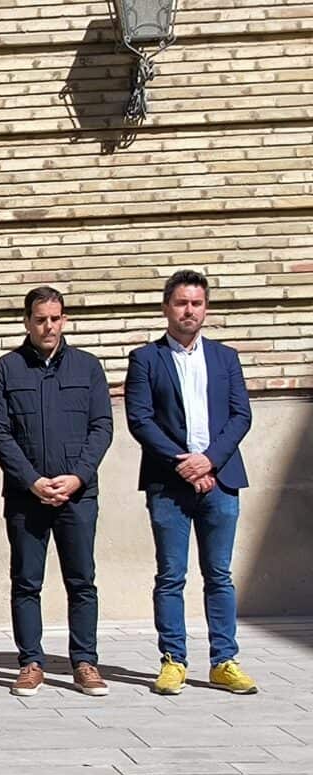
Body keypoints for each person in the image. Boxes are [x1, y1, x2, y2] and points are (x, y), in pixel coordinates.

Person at [124, 269, 258, 696]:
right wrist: (181, 463)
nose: (189, 311)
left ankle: (224, 661)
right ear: (167, 307)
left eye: (196, 303)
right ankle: (173, 661)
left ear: (206, 309)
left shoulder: (225, 358)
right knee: (171, 575)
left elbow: (241, 416)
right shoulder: (145, 359)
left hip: (221, 481)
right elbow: (140, 419)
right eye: (181, 303)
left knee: (219, 574)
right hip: (169, 484)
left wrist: (208, 462)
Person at [0, 287, 113, 698]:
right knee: (26, 581)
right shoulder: (6, 369)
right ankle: (30, 662)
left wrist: (77, 477)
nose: (48, 326)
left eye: (55, 319)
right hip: (27, 497)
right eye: (40, 319)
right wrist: (31, 480)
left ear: (64, 320)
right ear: (27, 321)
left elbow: (102, 427)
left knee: (82, 580)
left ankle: (85, 662)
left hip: (78, 495)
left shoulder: (88, 367)